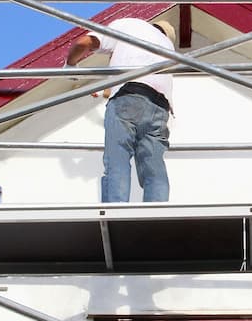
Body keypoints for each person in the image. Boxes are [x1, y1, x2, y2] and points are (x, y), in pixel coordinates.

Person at [67, 18, 177, 202]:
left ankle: (115, 210)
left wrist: (70, 66)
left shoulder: (129, 25)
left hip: (129, 95)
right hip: (160, 106)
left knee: (118, 158)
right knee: (153, 167)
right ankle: (157, 214)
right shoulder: (167, 46)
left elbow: (83, 43)